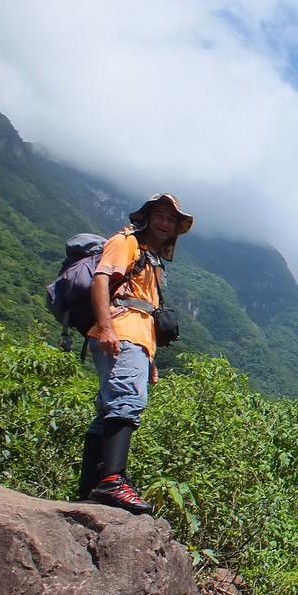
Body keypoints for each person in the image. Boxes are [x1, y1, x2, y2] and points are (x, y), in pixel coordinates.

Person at [77, 193, 193, 512]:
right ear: (147, 216)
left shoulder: (151, 258)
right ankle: (112, 480)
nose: (165, 222)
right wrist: (106, 327)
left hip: (137, 339)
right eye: (160, 215)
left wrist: (151, 360)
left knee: (110, 408)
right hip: (120, 331)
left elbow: (148, 312)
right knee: (127, 401)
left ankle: (90, 486)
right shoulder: (125, 241)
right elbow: (102, 280)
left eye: (171, 219)